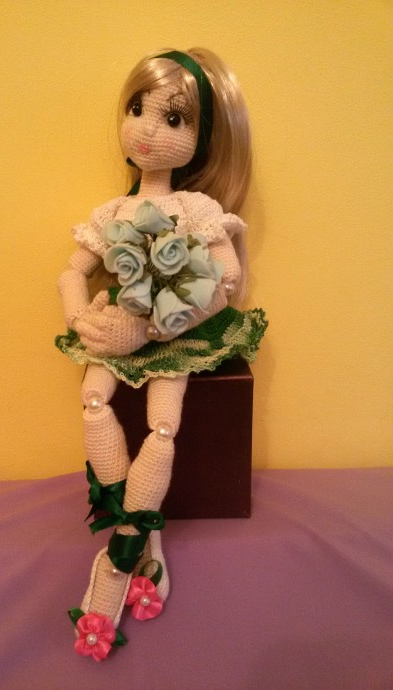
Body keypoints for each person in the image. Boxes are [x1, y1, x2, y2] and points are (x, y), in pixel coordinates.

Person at [56, 48, 267, 661]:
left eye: (173, 119)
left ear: (201, 138)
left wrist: (149, 329)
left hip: (174, 336)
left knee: (163, 424)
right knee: (94, 402)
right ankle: (138, 528)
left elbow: (225, 281)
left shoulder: (196, 210)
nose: (147, 130)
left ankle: (129, 541)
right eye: (137, 109)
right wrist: (82, 318)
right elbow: (71, 272)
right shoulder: (111, 213)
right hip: (114, 332)